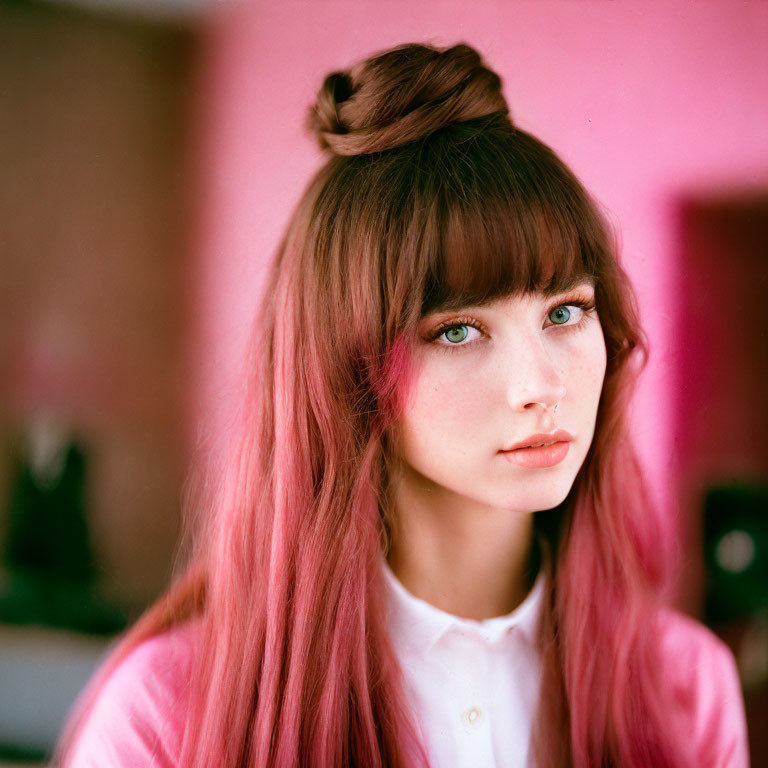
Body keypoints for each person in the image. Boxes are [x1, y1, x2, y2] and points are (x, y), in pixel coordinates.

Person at [55, 42, 749, 768]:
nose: (539, 385)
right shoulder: (172, 713)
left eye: (565, 313)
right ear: (345, 370)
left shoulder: (686, 689)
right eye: (457, 330)